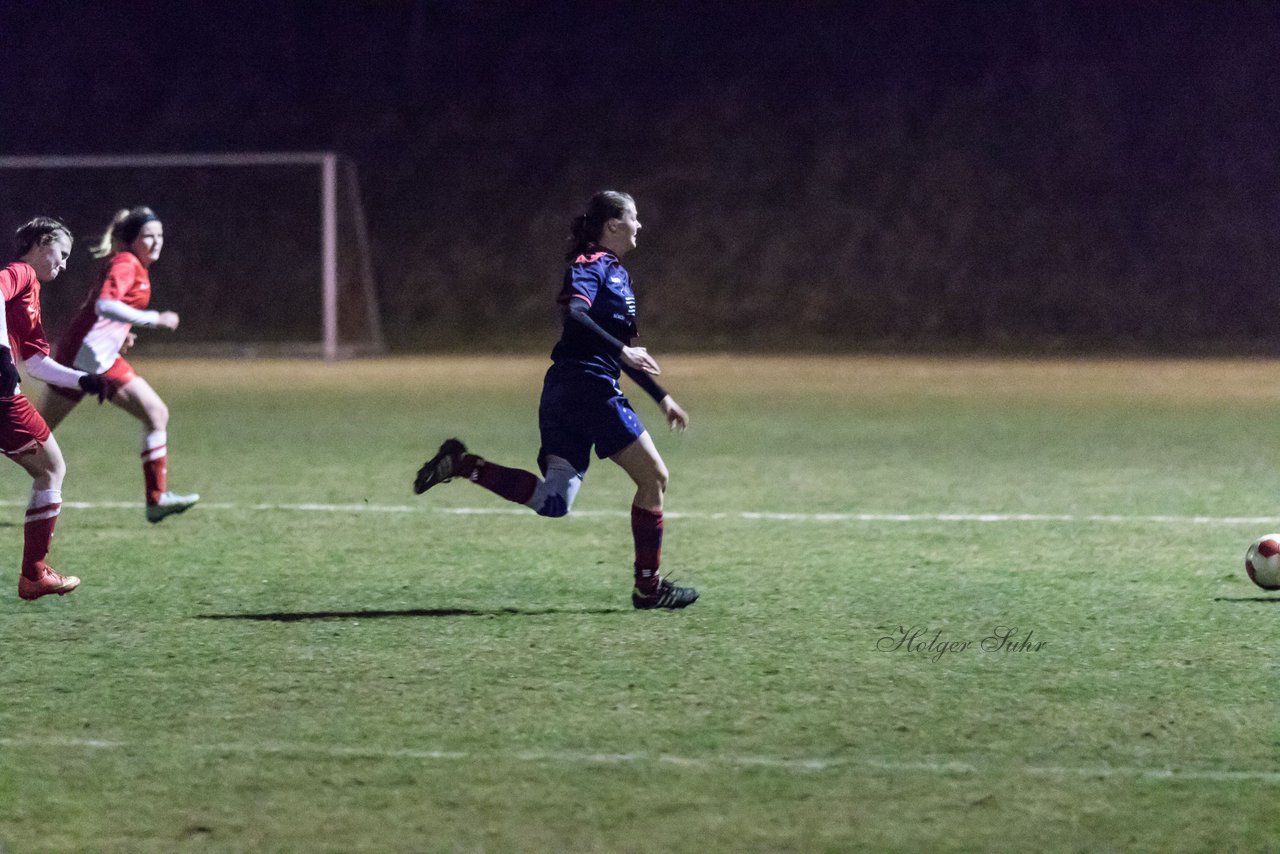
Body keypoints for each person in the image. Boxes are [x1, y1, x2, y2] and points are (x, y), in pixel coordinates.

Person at [414, 191, 698, 609]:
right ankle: (649, 589)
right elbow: (577, 317)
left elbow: (620, 351)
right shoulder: (591, 264)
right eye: (634, 218)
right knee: (654, 478)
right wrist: (621, 354)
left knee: (554, 501)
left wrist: (662, 397)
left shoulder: (618, 277)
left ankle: (463, 464)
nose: (640, 226)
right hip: (587, 388)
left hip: (570, 390)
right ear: (614, 225)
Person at [39, 207, 198, 524]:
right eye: (147, 236)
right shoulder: (126, 264)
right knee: (33, 434)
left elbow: (103, 312)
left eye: (160, 235)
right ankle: (156, 500)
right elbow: (105, 305)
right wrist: (156, 318)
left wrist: (121, 334)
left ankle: (156, 500)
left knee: (156, 413)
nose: (156, 242)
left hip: (102, 356)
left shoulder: (133, 264)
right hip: (79, 357)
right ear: (132, 240)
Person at [1, 217, 108, 600]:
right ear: (42, 242)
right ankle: (33, 575)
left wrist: (83, 380)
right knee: (52, 469)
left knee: (50, 469)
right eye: (61, 254)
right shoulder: (21, 274)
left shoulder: (30, 293)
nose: (62, 265)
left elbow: (34, 362)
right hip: (2, 398)